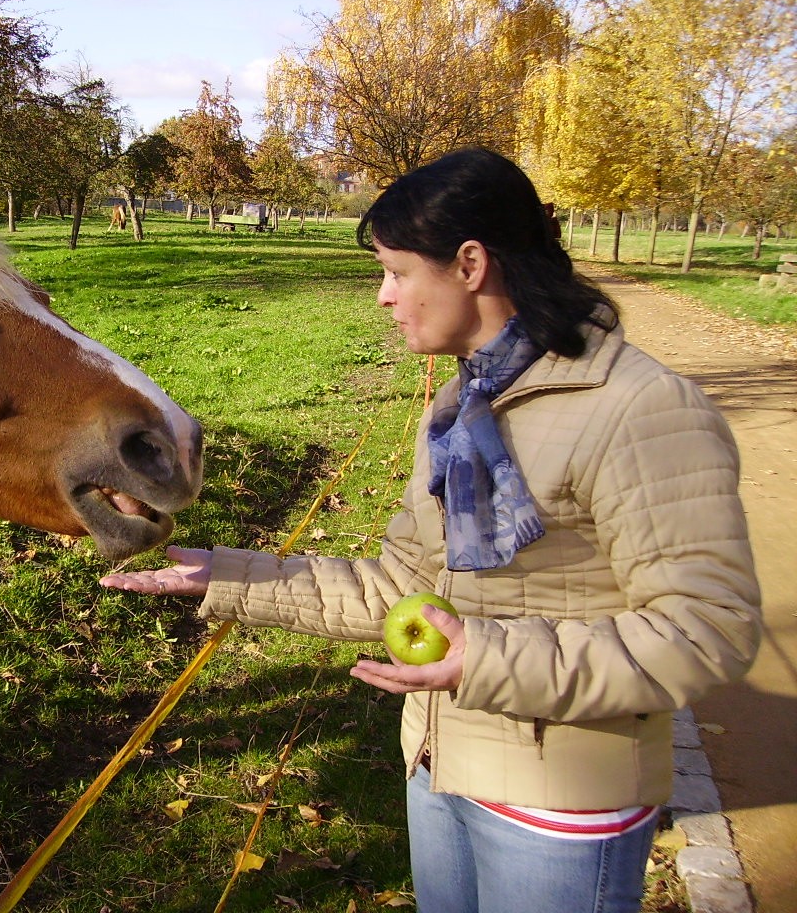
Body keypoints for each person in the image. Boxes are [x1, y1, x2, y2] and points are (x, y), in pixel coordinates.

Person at [100, 146, 760, 913]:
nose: (384, 297)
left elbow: (708, 627)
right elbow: (402, 587)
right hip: (438, 768)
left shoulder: (640, 408)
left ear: (471, 264)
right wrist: (227, 577)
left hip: (562, 810)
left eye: (397, 272)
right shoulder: (459, 411)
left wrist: (488, 656)